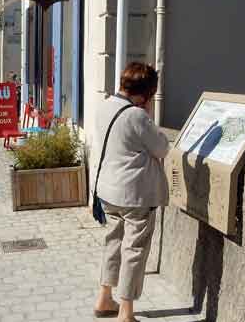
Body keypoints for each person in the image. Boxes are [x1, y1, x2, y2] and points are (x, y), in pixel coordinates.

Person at [93, 62, 170, 322]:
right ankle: (125, 313)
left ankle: (104, 298)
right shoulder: (137, 116)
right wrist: (147, 112)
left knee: (113, 243)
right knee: (134, 249)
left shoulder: (105, 106)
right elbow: (161, 148)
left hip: (108, 190)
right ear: (146, 93)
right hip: (135, 195)